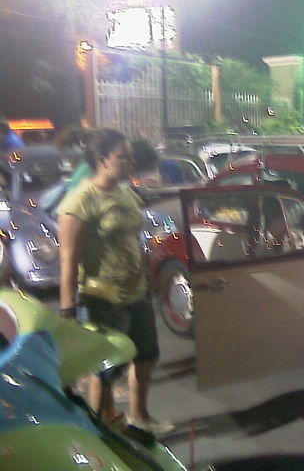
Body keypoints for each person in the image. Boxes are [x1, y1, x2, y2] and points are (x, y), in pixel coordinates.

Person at [57, 128, 173, 434]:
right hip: (102, 298)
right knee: (106, 369)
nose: (130, 162)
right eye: (123, 157)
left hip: (136, 291)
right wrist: (68, 311)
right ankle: (103, 431)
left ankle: (139, 416)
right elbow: (68, 259)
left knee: (146, 356)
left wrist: (147, 272)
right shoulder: (80, 201)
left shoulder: (125, 192)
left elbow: (134, 238)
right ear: (102, 159)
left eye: (130, 156)